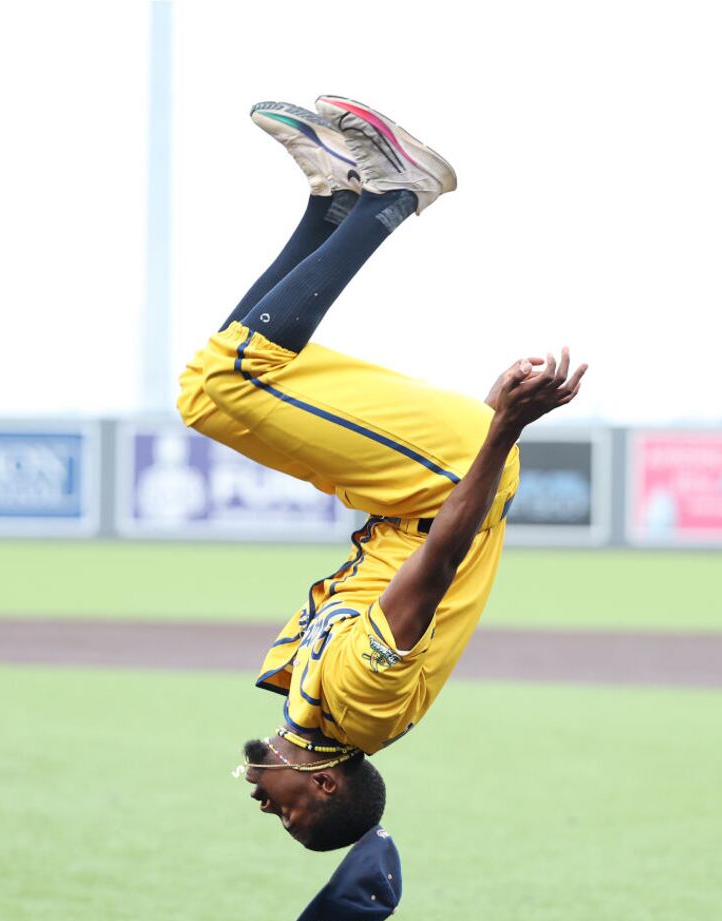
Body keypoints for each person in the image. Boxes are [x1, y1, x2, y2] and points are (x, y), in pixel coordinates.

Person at [178, 97, 587, 857]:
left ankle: (333, 203)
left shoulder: (309, 705)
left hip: (416, 487)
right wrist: (501, 429)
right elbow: (437, 564)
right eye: (291, 816)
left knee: (208, 392)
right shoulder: (360, 712)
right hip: (442, 486)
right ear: (325, 784)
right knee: (231, 384)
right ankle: (396, 194)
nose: (270, 809)